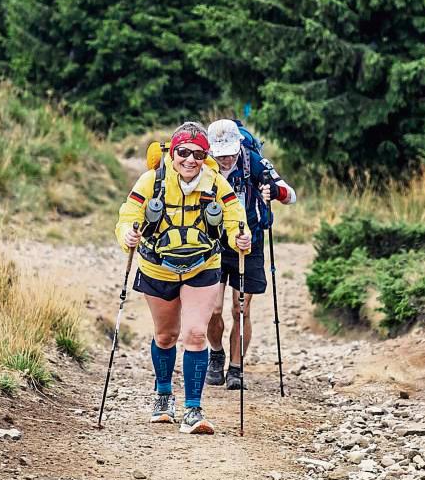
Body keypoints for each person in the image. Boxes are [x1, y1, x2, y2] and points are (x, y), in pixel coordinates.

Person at [116, 122, 250, 434]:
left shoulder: (217, 184)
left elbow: (235, 219)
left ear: (207, 156)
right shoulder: (152, 181)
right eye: (183, 152)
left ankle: (193, 408)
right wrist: (127, 235)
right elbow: (128, 216)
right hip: (157, 267)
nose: (190, 160)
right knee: (165, 335)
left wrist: (239, 238)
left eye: (199, 153)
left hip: (202, 266)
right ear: (172, 152)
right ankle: (163, 396)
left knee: (195, 334)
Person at [205, 119, 296, 390]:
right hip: (214, 243)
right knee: (214, 308)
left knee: (240, 309)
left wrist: (274, 191)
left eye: (230, 152)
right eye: (220, 154)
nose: (226, 158)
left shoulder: (254, 162)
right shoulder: (205, 165)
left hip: (249, 242)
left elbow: (291, 195)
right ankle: (215, 354)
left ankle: (235, 368)